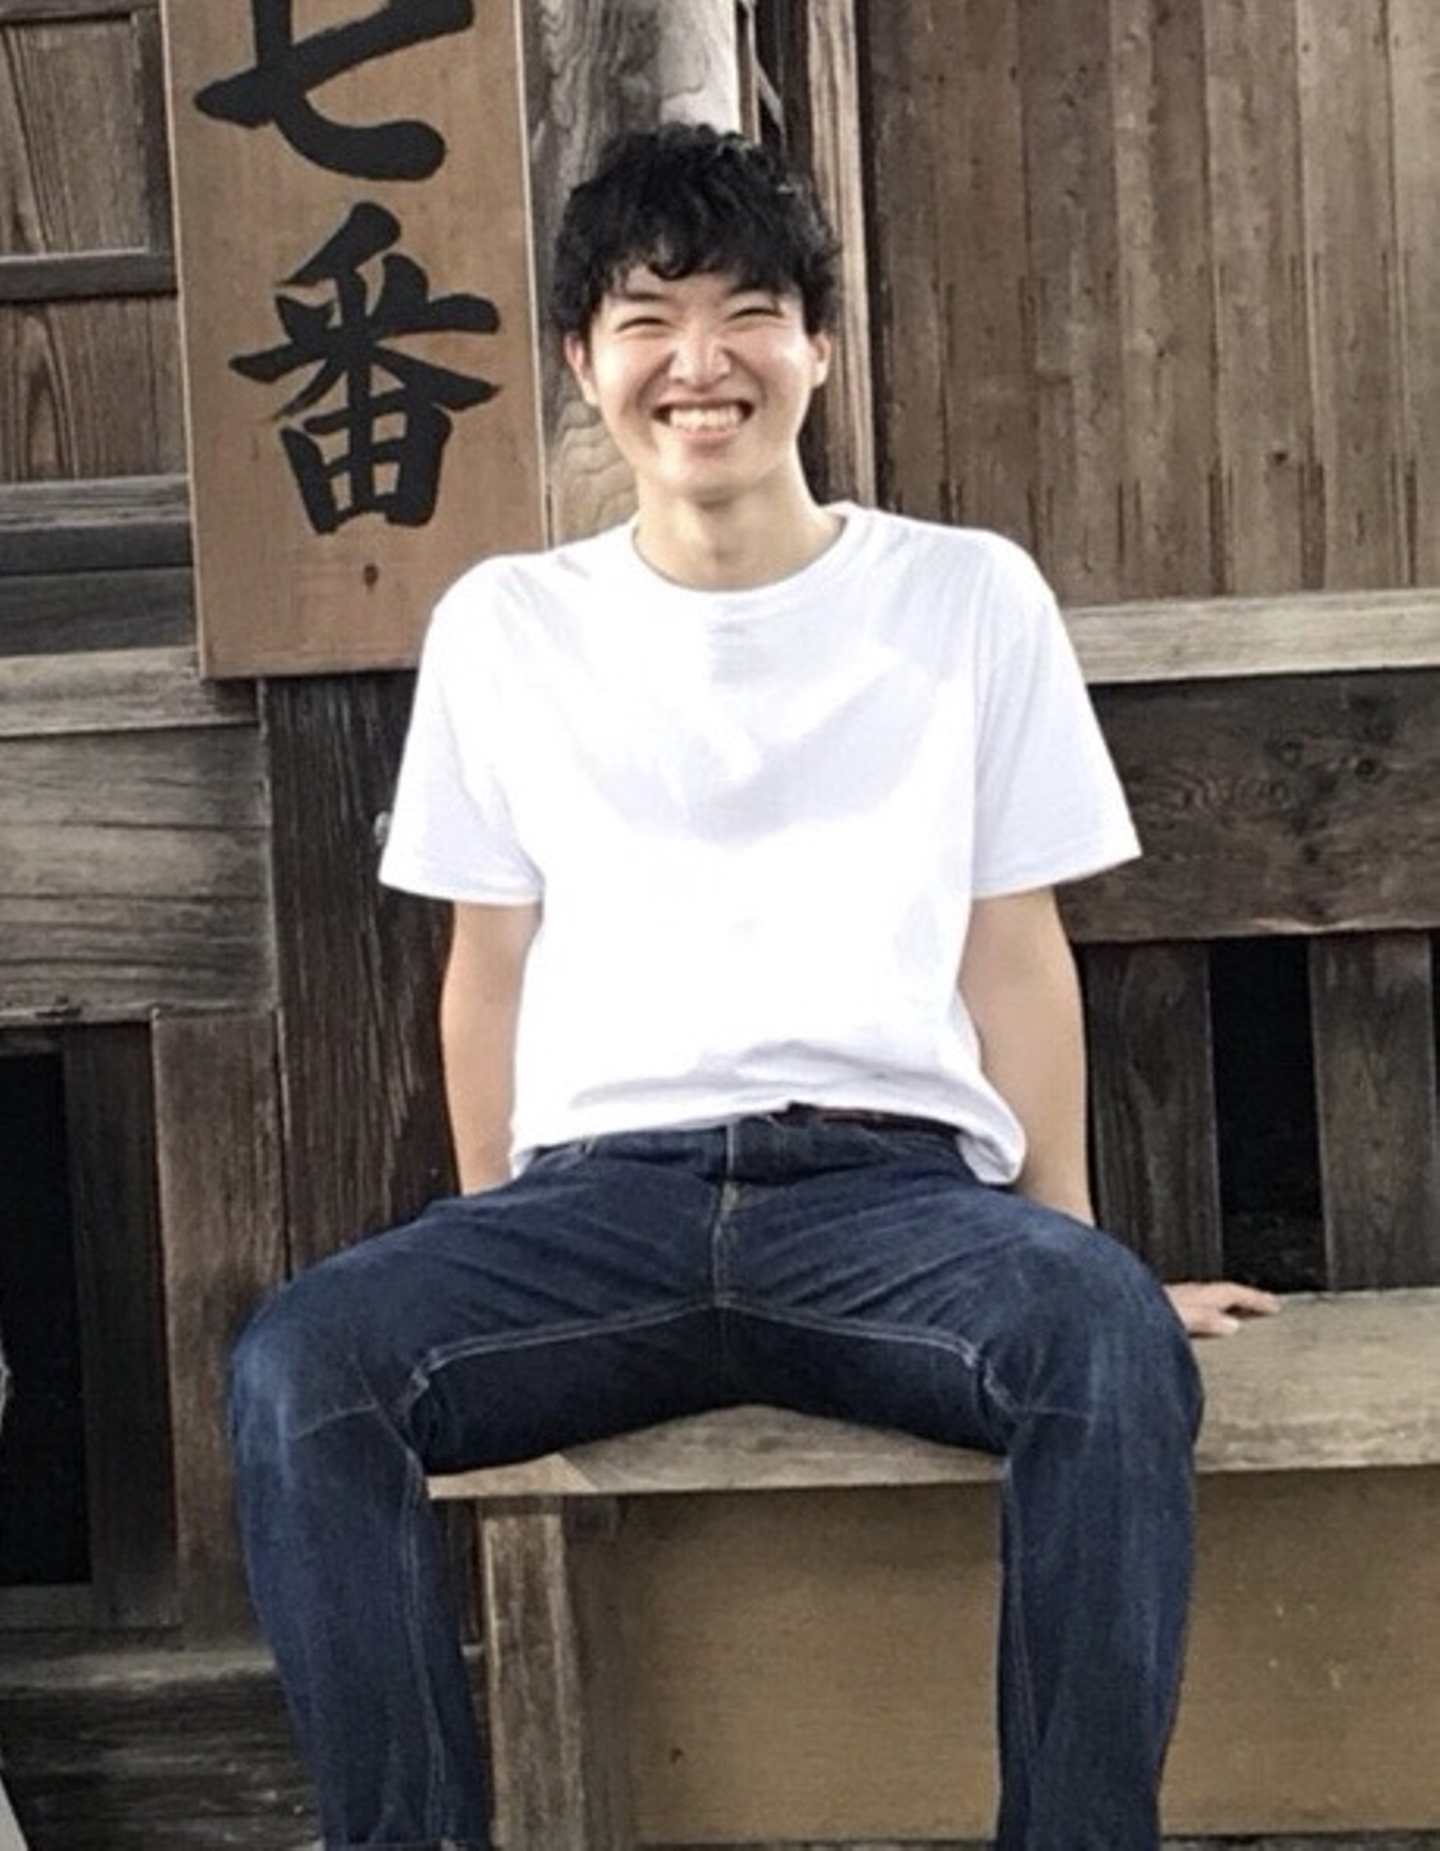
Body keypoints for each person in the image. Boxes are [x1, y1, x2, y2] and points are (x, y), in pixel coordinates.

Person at [230, 122, 1278, 1851]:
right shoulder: (507, 623)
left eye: (747, 315)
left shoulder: (965, 595)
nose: (698, 364)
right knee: (300, 1367)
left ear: (819, 346)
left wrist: (1075, 1249)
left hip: (889, 1201)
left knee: (1101, 1342)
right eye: (647, 320)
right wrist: (496, 1237)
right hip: (596, 1206)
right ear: (584, 362)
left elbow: (1012, 946)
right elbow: (487, 970)